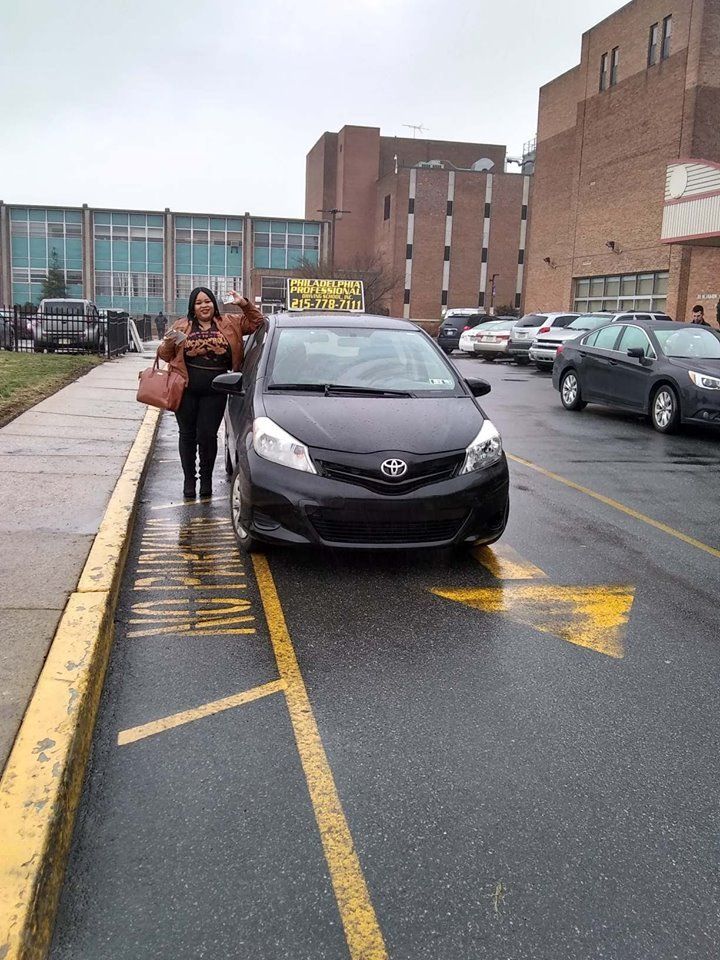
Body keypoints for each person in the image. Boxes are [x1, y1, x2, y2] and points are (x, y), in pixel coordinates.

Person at [157, 287, 264, 499]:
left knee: (207, 436)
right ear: (192, 307)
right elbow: (165, 355)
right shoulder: (181, 325)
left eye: (207, 301)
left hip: (216, 390)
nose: (204, 306)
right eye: (199, 303)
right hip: (185, 390)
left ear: (214, 303)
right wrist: (169, 342)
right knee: (187, 435)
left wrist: (243, 304)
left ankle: (206, 480)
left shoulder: (230, 322)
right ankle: (189, 480)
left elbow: (258, 322)